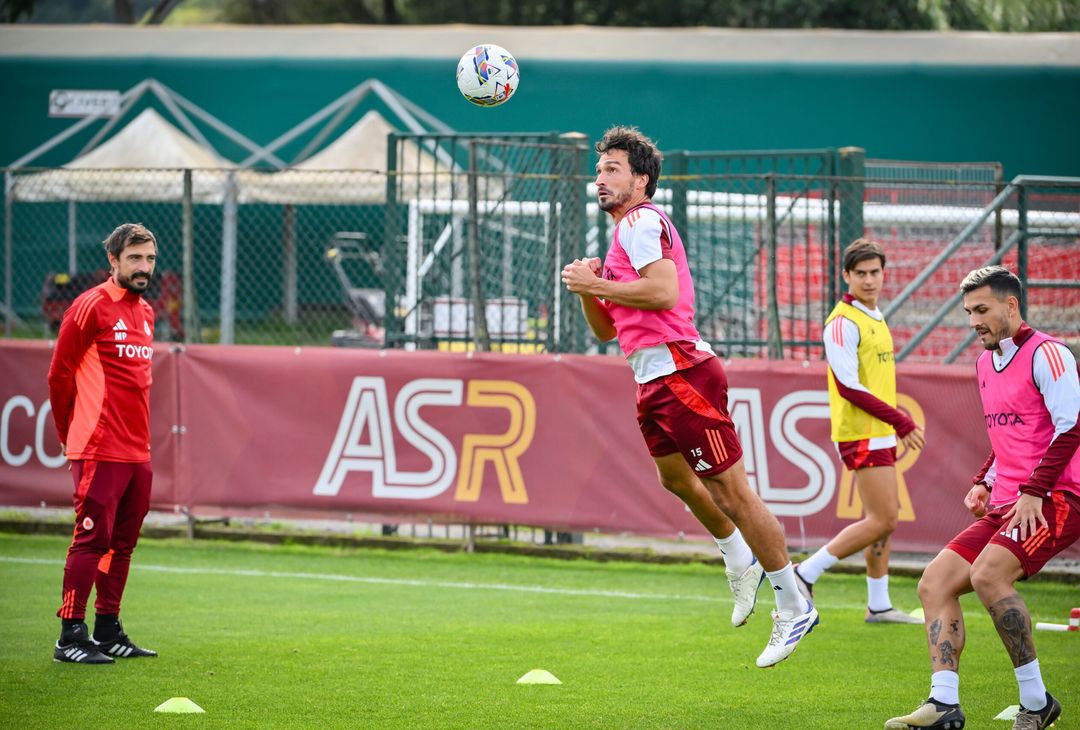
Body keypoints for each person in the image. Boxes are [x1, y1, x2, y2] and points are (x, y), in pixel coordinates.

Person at [561, 126, 817, 668]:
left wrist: (596, 285)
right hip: (652, 378)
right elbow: (608, 330)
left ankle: (794, 604)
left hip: (682, 372)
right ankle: (737, 557)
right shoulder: (622, 234)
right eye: (599, 169)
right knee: (674, 478)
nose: (600, 178)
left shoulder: (642, 221)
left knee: (733, 495)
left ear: (641, 180)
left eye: (612, 169)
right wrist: (591, 288)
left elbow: (663, 293)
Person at [885, 266, 1079, 730]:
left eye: (982, 309)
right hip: (1010, 500)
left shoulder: (1049, 354)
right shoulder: (983, 362)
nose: (973, 320)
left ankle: (1036, 702)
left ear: (1011, 306)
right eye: (969, 310)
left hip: (1057, 497)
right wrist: (985, 481)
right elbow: (1010, 434)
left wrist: (1033, 490)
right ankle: (944, 705)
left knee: (989, 575)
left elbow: (1071, 426)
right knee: (934, 583)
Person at [794, 239, 925, 624]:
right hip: (860, 432)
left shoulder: (874, 315)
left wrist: (892, 422)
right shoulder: (841, 323)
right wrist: (900, 419)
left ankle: (879, 604)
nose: (869, 280)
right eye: (861, 273)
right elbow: (849, 387)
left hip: (878, 430)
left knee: (881, 518)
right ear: (846, 276)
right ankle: (805, 572)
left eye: (875, 272)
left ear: (884, 274)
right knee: (883, 519)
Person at [47, 223, 161, 664]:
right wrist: (66, 434)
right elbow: (59, 375)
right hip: (98, 447)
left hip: (137, 450)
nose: (144, 267)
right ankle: (70, 635)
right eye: (135, 258)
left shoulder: (146, 312)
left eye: (149, 258)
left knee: (123, 543)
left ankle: (108, 628)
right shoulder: (89, 306)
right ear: (113, 261)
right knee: (91, 540)